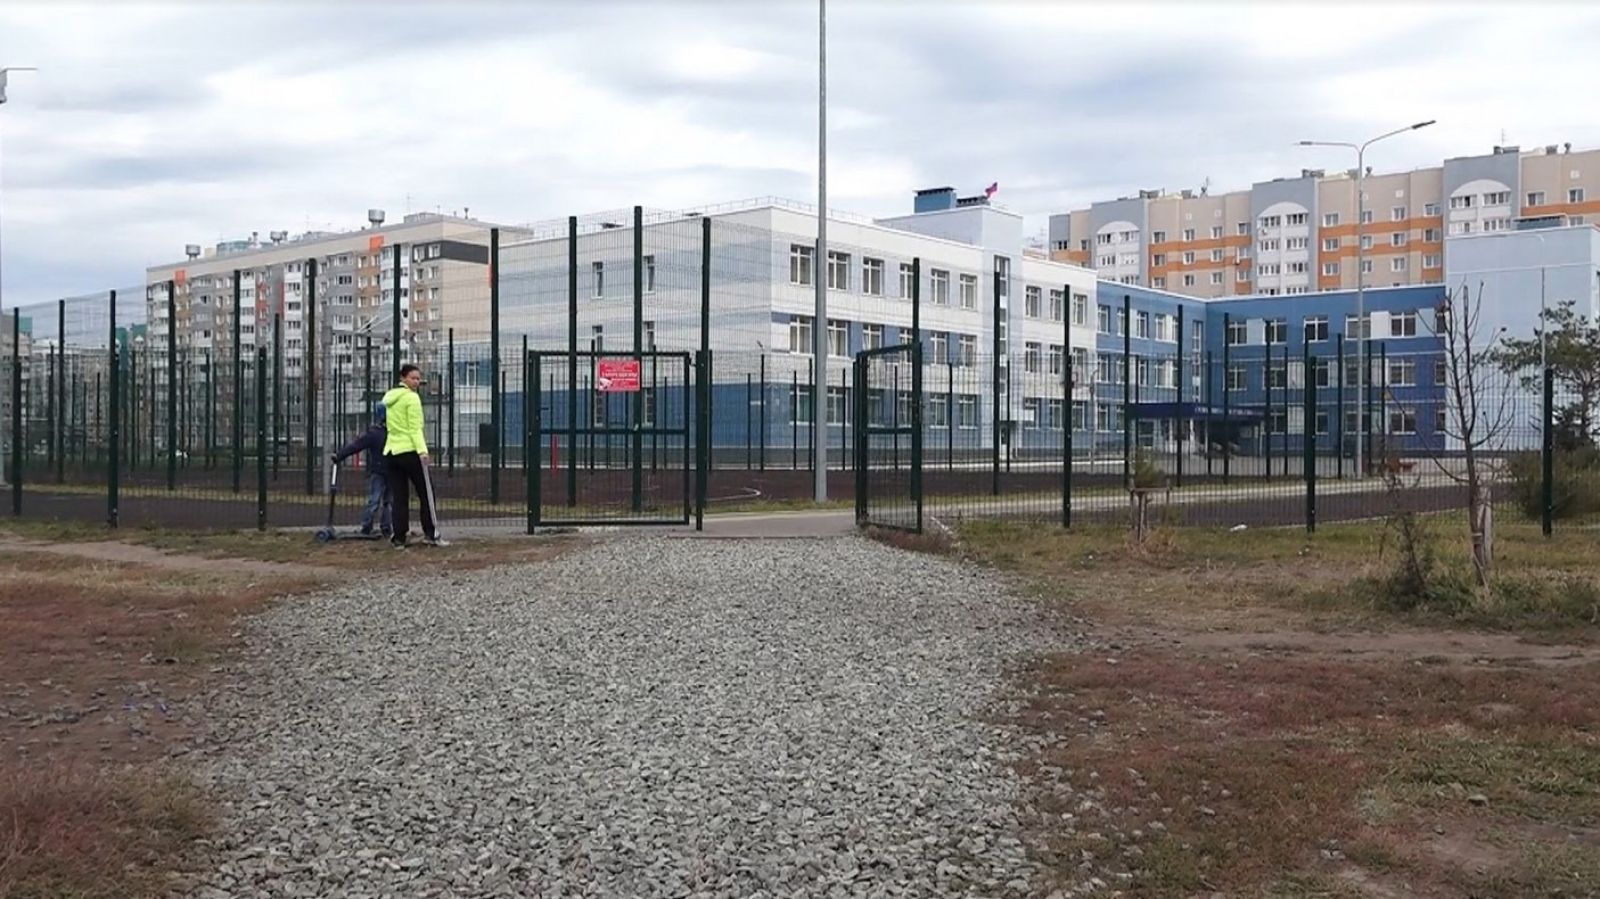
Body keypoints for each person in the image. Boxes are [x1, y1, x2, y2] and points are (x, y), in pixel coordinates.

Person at [382, 363, 447, 547]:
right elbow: (415, 428)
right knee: (427, 493)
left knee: (400, 496)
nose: (417, 382)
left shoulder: (391, 399)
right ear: (403, 378)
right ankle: (431, 533)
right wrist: (423, 451)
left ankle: (399, 538)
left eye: (418, 378)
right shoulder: (412, 398)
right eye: (413, 378)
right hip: (410, 451)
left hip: (392, 452)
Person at [330, 402, 392, 538]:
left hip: (384, 471)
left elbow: (355, 445)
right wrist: (340, 455)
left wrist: (339, 455)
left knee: (380, 500)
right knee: (383, 501)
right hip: (385, 471)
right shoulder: (386, 433)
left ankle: (375, 527)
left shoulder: (376, 433)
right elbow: (356, 446)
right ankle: (376, 527)